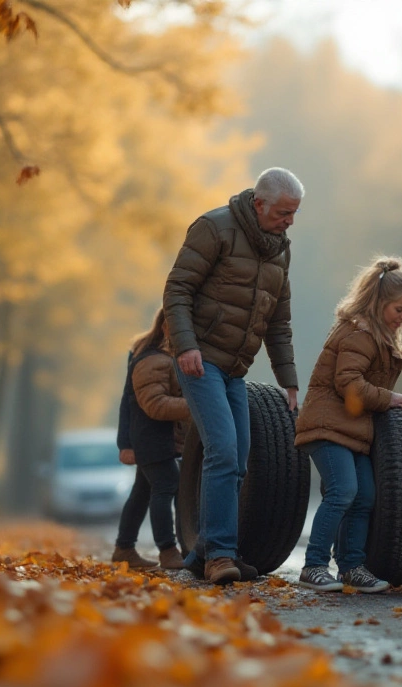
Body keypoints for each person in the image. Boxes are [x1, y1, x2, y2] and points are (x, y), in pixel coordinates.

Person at [163, 167, 303, 585]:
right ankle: (220, 555)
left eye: (295, 213)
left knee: (238, 457)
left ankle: (203, 549)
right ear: (259, 203)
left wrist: (288, 377)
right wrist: (185, 346)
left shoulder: (280, 248)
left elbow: (279, 320)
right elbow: (177, 290)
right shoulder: (213, 228)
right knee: (222, 449)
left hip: (235, 369)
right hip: (200, 360)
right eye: (283, 212)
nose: (289, 221)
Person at [294, 257, 402, 593]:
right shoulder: (358, 333)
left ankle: (351, 566)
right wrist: (388, 398)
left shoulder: (378, 336)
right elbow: (347, 382)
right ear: (379, 304)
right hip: (326, 427)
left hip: (352, 430)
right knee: (343, 491)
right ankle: (314, 566)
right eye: (399, 309)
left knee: (365, 496)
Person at [113, 309, 190, 570]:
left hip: (147, 435)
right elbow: (145, 403)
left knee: (142, 492)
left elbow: (127, 401)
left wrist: (125, 442)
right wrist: (198, 406)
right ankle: (167, 550)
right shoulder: (152, 358)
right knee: (167, 484)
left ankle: (124, 548)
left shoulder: (151, 353)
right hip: (153, 436)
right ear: (166, 326)